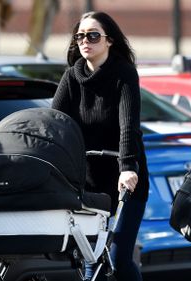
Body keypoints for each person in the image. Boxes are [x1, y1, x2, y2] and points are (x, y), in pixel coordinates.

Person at [51, 11, 149, 281]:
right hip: (87, 183)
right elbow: (55, 124)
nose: (85, 41)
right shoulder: (72, 77)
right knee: (89, 260)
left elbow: (129, 125)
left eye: (93, 35)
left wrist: (128, 167)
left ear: (109, 41)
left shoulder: (124, 75)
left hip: (125, 181)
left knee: (118, 258)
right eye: (80, 36)